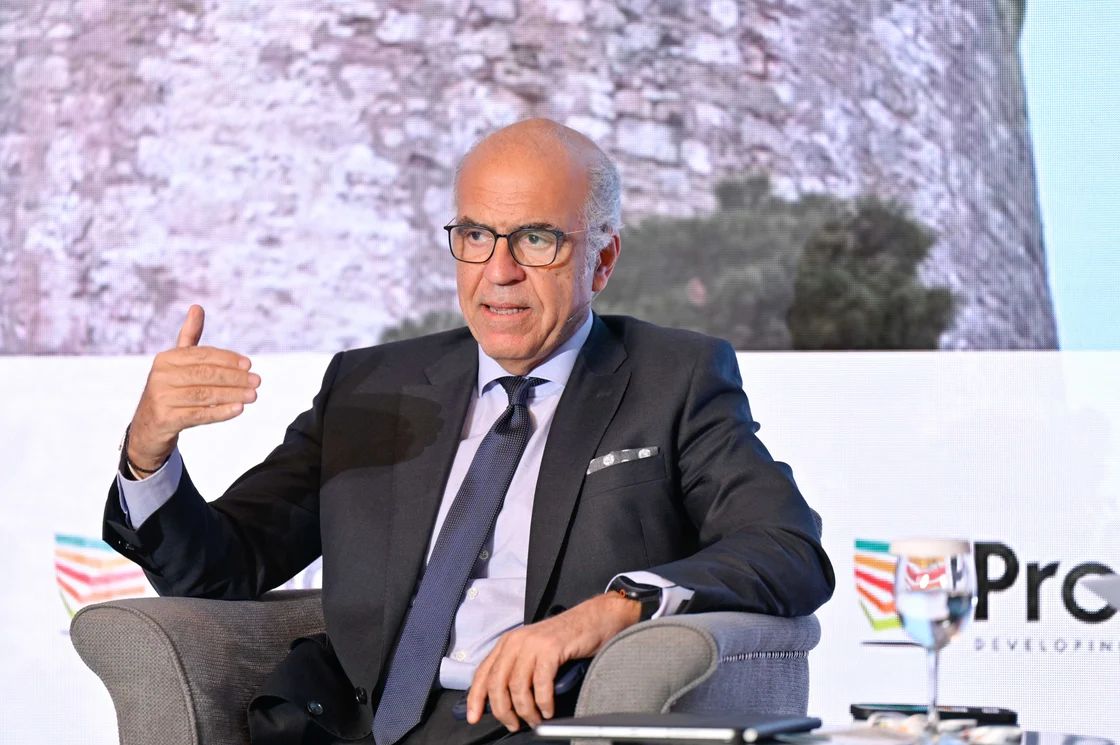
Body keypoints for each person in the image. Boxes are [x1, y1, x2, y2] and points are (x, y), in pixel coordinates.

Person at [104, 118, 834, 745]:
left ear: (602, 259)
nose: (499, 271)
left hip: (538, 723)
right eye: (477, 235)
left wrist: (611, 609)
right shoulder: (373, 386)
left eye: (537, 239)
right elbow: (220, 568)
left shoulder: (671, 379)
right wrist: (149, 449)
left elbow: (786, 548)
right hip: (354, 726)